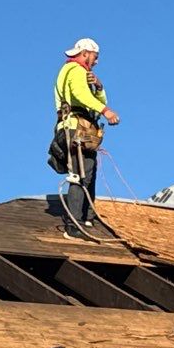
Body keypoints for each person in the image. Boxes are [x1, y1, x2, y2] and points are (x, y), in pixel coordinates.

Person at [51, 37, 119, 230]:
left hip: (78, 128)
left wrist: (98, 86)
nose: (96, 62)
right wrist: (106, 110)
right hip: (75, 127)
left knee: (88, 172)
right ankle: (75, 224)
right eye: (94, 57)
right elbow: (80, 95)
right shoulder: (74, 70)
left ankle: (87, 217)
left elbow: (88, 97)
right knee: (81, 173)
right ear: (85, 54)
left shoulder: (79, 72)